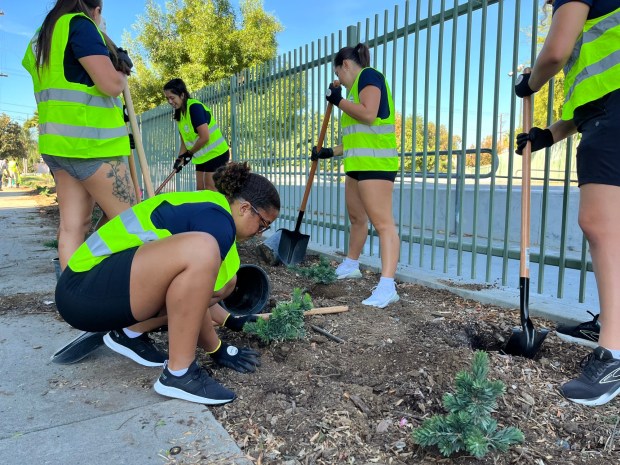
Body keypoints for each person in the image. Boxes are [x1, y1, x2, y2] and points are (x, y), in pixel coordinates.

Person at [22, 0, 172, 365]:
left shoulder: (41, 37)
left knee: (73, 228)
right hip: (92, 147)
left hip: (58, 146)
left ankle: (84, 310)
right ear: (95, 5)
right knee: (139, 227)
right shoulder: (80, 25)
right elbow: (108, 84)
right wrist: (119, 69)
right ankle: (132, 323)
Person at [54, 162, 280, 404]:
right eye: (263, 224)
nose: (261, 232)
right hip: (84, 292)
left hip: (88, 288)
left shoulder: (208, 207)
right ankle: (179, 374)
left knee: (223, 280)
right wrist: (216, 348)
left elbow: (191, 293)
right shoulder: (218, 224)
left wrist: (227, 320)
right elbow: (196, 298)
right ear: (245, 208)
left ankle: (130, 333)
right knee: (204, 251)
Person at [514, 0, 620, 406]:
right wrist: (549, 135)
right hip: (605, 112)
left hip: (613, 118)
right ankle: (612, 323)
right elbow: (596, 89)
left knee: (600, 224)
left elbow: (555, 52)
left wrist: (531, 83)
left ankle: (613, 357)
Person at [311, 43, 401, 309]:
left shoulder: (369, 76)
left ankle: (387, 286)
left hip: (377, 164)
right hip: (357, 164)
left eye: (339, 71)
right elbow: (355, 137)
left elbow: (370, 115)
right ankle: (351, 264)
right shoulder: (353, 93)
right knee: (356, 218)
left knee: (383, 224)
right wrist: (328, 152)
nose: (339, 78)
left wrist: (338, 100)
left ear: (346, 65)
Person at [163, 78, 231, 191]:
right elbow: (185, 142)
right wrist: (180, 158)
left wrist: (189, 153)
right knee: (200, 189)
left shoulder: (194, 108)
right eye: (167, 98)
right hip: (202, 157)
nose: (170, 101)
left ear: (182, 95)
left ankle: (224, 208)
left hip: (216, 154)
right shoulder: (179, 115)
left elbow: (205, 137)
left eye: (172, 97)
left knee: (211, 189)